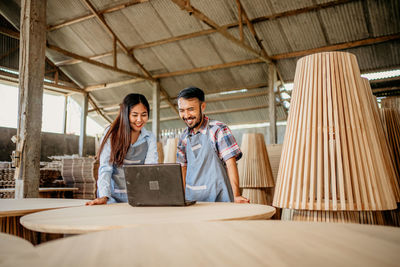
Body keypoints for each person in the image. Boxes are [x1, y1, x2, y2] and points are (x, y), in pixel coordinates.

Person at [176, 86, 249, 203]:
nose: (186, 115)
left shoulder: (218, 130)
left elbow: (231, 163)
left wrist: (236, 195)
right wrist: (180, 198)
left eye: (191, 109)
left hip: (218, 199)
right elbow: (182, 169)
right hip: (192, 201)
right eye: (182, 110)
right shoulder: (183, 137)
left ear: (202, 106)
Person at [86, 93, 158, 205]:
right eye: (134, 115)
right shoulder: (112, 134)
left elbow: (150, 168)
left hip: (138, 197)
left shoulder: (149, 138)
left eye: (144, 115)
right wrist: (104, 196)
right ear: (126, 114)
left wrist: (152, 194)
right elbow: (105, 168)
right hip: (112, 198)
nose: (139, 120)